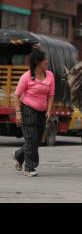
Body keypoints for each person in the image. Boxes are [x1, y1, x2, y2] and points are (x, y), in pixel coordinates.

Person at [12, 48, 55, 177]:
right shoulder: (26, 77)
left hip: (42, 112)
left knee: (37, 140)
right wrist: (18, 113)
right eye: (45, 60)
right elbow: (16, 95)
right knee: (31, 139)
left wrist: (49, 110)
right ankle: (29, 168)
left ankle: (18, 155)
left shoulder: (50, 75)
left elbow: (51, 95)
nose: (47, 61)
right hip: (27, 110)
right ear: (37, 62)